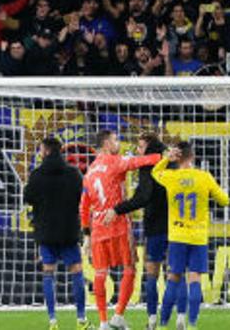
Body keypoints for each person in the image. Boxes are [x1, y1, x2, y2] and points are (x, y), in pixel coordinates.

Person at [80, 130, 162, 330]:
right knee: (130, 268)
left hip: (98, 227)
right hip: (118, 224)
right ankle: (118, 315)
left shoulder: (89, 171)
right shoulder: (115, 161)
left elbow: (83, 206)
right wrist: (165, 155)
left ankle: (103, 322)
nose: (120, 143)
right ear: (107, 143)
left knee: (100, 272)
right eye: (116, 140)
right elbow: (144, 161)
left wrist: (87, 235)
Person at [151, 141, 230, 330]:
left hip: (177, 237)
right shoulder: (204, 177)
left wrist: (165, 159)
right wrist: (212, 193)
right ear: (192, 157)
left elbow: (154, 173)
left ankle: (163, 324)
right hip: (198, 237)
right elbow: (225, 201)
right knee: (194, 279)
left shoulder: (170, 177)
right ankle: (192, 324)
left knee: (173, 278)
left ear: (177, 158)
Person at [24, 135, 90, 330]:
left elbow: (28, 198)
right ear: (60, 151)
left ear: (45, 151)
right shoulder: (73, 173)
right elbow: (82, 197)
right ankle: (81, 319)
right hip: (69, 230)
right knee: (77, 271)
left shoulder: (36, 174)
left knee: (48, 273)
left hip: (45, 231)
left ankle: (53, 320)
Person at [112, 132, 169, 328]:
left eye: (140, 146)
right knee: (177, 274)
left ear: (149, 146)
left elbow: (143, 197)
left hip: (156, 226)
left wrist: (117, 209)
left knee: (152, 273)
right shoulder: (172, 162)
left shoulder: (149, 166)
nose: (138, 150)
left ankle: (153, 320)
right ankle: (178, 319)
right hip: (179, 227)